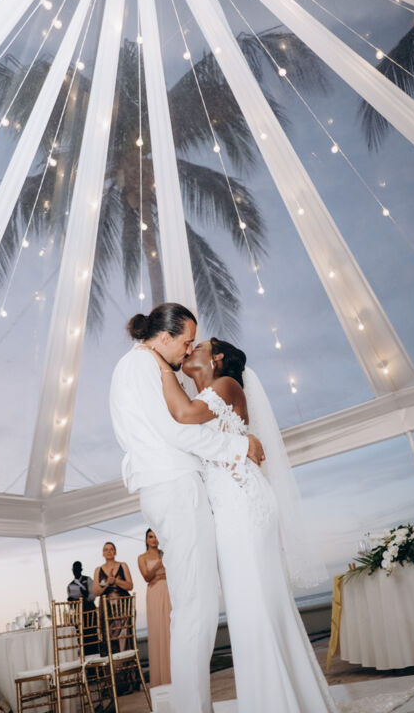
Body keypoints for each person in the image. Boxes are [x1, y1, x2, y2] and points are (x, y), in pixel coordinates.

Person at [147, 337, 337, 713]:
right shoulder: (206, 397)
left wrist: (160, 364)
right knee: (248, 606)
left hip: (243, 504)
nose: (190, 350)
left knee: (253, 604)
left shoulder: (227, 385)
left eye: (198, 345)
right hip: (229, 508)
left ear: (217, 358)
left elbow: (183, 414)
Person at [109, 302, 264, 713]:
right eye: (186, 341)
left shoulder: (136, 366)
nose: (189, 349)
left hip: (165, 486)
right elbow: (175, 432)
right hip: (175, 486)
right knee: (197, 608)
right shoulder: (142, 366)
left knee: (193, 606)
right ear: (164, 337)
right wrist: (238, 446)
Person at [138, 529, 171, 687]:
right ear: (146, 539)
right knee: (158, 629)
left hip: (168, 590)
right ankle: (161, 677)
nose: (154, 539)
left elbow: (172, 572)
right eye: (151, 537)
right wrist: (158, 563)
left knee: (170, 628)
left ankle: (174, 671)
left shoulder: (165, 553)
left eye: (156, 536)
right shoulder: (142, 557)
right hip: (154, 593)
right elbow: (147, 576)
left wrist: (160, 575)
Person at [92, 542, 133, 653]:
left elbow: (130, 586)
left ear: (115, 552)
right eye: (106, 550)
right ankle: (113, 662)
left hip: (123, 607)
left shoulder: (123, 565)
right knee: (109, 636)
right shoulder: (98, 570)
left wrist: (116, 581)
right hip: (107, 608)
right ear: (103, 553)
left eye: (111, 549)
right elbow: (96, 592)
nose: (109, 551)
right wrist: (107, 583)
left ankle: (127, 662)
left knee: (124, 636)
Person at [67, 561, 98, 654]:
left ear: (81, 570)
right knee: (81, 635)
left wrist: (85, 595)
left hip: (89, 610)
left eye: (77, 569)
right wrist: (71, 600)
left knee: (92, 634)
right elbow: (70, 605)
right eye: (74, 570)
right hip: (78, 614)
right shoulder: (70, 585)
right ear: (72, 571)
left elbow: (93, 596)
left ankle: (95, 653)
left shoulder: (88, 580)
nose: (76, 571)